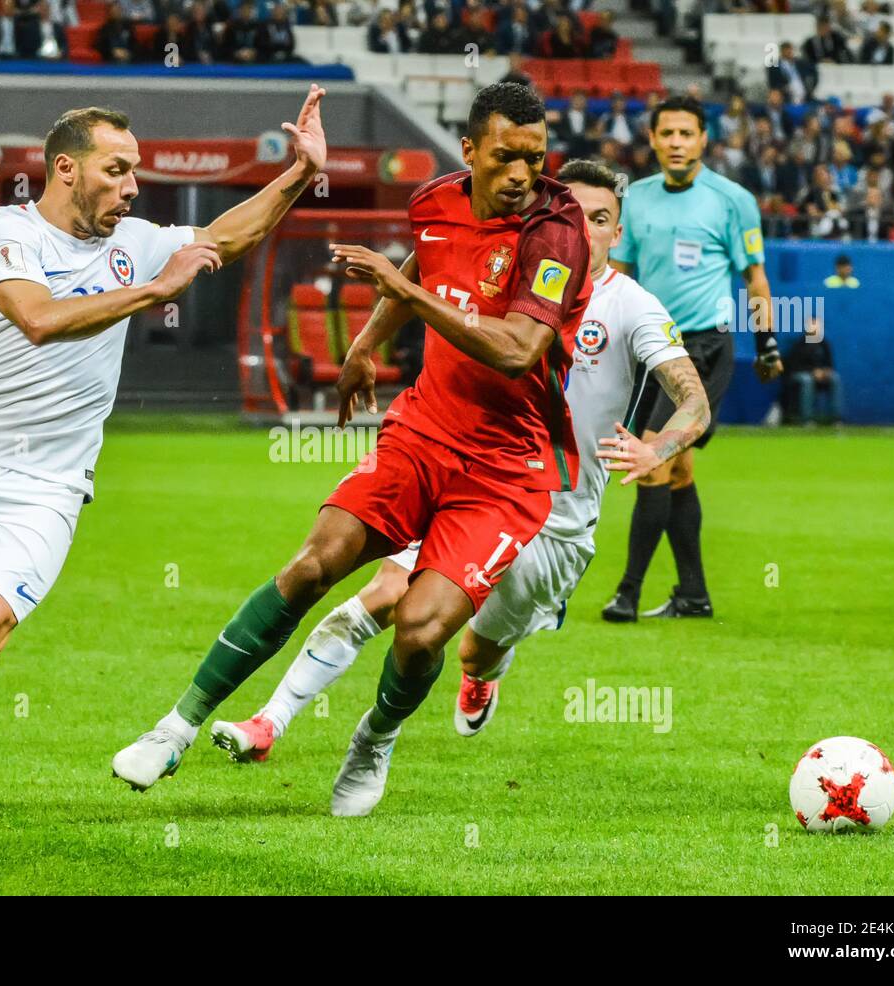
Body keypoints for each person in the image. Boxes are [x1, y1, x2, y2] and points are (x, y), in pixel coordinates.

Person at [0, 88, 330, 837]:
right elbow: (40, 320)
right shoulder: (6, 235)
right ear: (66, 170)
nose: (133, 186)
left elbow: (221, 238)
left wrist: (300, 175)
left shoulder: (135, 241)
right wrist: (152, 290)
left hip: (49, 483)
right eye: (117, 170)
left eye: (136, 171)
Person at [111, 82, 593, 817]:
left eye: (535, 157)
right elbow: (425, 278)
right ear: (470, 152)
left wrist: (400, 285)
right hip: (423, 431)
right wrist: (367, 342)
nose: (523, 174)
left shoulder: (556, 231)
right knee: (313, 564)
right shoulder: (434, 202)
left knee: (421, 627)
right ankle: (174, 727)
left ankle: (374, 739)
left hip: (507, 470)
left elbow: (519, 351)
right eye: (505, 158)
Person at [209, 159, 710, 760]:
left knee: (476, 647)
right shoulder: (508, 282)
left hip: (557, 523)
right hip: (474, 482)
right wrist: (366, 343)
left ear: (617, 231)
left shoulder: (632, 306)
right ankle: (269, 722)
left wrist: (658, 444)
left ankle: (483, 673)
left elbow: (694, 400)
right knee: (385, 594)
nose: (585, 230)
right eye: (574, 215)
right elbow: (417, 275)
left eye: (600, 219)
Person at [602, 94, 782, 623]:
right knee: (678, 471)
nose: (677, 143)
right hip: (649, 348)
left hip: (704, 348)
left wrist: (767, 342)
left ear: (704, 139)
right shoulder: (634, 199)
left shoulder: (733, 200)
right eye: (668, 134)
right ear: (653, 140)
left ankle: (627, 594)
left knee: (653, 459)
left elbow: (755, 276)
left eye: (687, 134)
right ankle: (694, 594)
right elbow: (621, 273)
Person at [783, 317, 842, 424]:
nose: (814, 328)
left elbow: (830, 364)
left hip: (820, 376)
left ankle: (836, 418)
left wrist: (826, 372)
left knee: (835, 378)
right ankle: (807, 419)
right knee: (807, 380)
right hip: (800, 376)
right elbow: (794, 366)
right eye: (812, 325)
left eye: (817, 325)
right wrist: (813, 372)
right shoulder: (799, 345)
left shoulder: (824, 344)